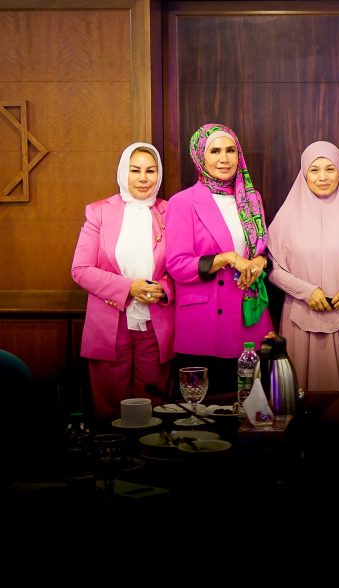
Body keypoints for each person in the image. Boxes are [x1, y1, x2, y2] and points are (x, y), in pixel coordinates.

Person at [165, 123, 273, 395]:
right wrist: (227, 259)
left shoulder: (252, 198)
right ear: (199, 156)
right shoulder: (182, 202)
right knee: (204, 409)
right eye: (215, 151)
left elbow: (260, 250)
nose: (224, 159)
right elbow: (177, 264)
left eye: (230, 150)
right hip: (205, 320)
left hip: (248, 316)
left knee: (252, 406)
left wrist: (260, 261)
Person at [71, 143, 174, 418]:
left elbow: (180, 266)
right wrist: (130, 287)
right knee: (110, 411)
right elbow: (80, 269)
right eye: (135, 170)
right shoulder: (99, 212)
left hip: (155, 323)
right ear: (122, 172)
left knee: (155, 408)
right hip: (109, 323)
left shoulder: (171, 211)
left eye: (150, 170)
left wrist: (164, 289)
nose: (143, 178)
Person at [267, 141, 339, 392]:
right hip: (300, 316)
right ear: (304, 174)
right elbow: (273, 270)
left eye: (330, 169)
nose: (323, 177)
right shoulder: (287, 217)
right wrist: (307, 292)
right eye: (314, 170)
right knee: (298, 394)